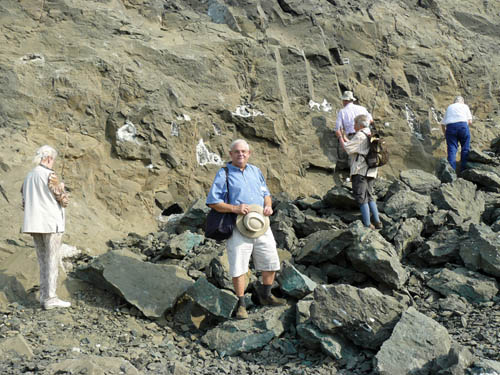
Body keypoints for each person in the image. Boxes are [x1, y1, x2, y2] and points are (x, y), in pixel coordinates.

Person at [206, 139, 285, 319]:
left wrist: (268, 207)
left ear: (249, 154)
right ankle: (241, 304)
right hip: (238, 225)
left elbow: (266, 194)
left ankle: (265, 295)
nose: (240, 154)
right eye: (237, 152)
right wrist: (235, 208)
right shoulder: (223, 173)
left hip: (260, 223)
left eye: (244, 151)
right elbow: (212, 201)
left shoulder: (255, 171)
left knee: (271, 260)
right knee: (238, 266)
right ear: (230, 154)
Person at [21, 145, 71, 310]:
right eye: (53, 159)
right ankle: (51, 298)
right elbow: (63, 200)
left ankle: (44, 296)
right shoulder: (51, 175)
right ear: (49, 158)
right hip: (51, 223)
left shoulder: (29, 176)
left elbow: (24, 201)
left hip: (34, 223)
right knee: (52, 259)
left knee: (42, 260)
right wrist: (63, 190)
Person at [342, 115, 382, 229]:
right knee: (370, 196)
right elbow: (357, 146)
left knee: (361, 197)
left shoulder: (360, 135)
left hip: (360, 171)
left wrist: (340, 137)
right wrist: (347, 139)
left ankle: (368, 224)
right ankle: (378, 222)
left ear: (359, 125)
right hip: (372, 171)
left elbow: (347, 148)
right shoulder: (371, 134)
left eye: (355, 124)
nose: (354, 126)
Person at [441, 95, 472, 171]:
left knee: (452, 148)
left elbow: (442, 124)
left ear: (454, 102)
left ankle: (452, 172)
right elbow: (470, 121)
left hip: (450, 127)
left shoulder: (449, 107)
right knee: (465, 147)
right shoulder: (465, 106)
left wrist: (445, 133)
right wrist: (463, 127)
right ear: (462, 101)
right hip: (463, 126)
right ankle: (463, 170)